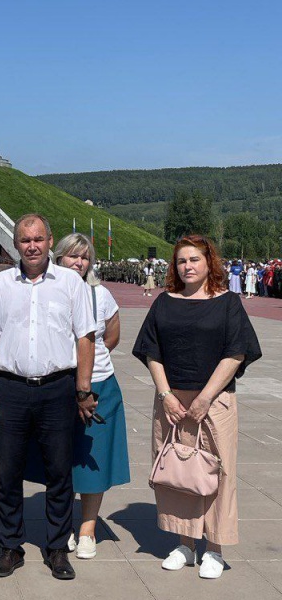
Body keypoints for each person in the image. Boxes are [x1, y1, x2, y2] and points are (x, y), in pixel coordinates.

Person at [0, 214, 97, 581]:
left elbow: (85, 337)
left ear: (49, 241)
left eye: (39, 239)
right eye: (25, 239)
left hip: (58, 387)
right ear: (15, 243)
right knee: (8, 471)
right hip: (11, 387)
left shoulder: (71, 284)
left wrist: (83, 389)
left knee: (60, 471)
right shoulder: (0, 284)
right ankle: (10, 546)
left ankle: (57, 547)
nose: (32, 246)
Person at [133, 236, 261, 578]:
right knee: (179, 473)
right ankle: (185, 544)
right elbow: (151, 351)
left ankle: (215, 548)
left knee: (218, 471)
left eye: (194, 260)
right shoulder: (164, 303)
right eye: (181, 261)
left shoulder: (228, 302)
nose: (187, 266)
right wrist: (165, 395)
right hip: (172, 401)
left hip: (214, 400)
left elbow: (236, 352)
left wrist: (205, 398)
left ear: (209, 263)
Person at [53, 233, 130, 558]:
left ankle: (87, 529)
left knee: (94, 458)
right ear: (59, 258)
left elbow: (111, 336)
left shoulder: (100, 294)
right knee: (61, 457)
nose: (79, 262)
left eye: (84, 257)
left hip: (99, 385)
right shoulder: (47, 290)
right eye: (73, 256)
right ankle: (62, 521)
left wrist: (90, 363)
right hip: (58, 383)